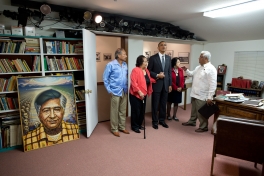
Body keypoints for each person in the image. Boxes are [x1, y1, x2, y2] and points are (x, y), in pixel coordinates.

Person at [181, 51, 217, 132]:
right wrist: (186, 70)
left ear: (206, 58)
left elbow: (213, 84)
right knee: (193, 110)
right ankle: (192, 121)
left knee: (201, 112)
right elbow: (191, 74)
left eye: (200, 57)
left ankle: (204, 126)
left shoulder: (211, 69)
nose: (198, 58)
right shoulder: (198, 67)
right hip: (195, 93)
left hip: (202, 94)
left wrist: (210, 97)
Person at [103, 48, 129, 137]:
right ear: (118, 55)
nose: (126, 56)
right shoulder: (110, 65)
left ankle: (122, 127)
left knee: (122, 110)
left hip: (124, 90)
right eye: (124, 54)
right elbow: (105, 79)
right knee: (114, 111)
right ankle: (114, 129)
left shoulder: (125, 65)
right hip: (114, 91)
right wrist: (109, 90)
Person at [147, 41, 172, 129]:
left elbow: (169, 73)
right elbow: (149, 71)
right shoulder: (153, 58)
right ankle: (155, 121)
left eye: (165, 45)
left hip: (165, 85)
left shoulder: (169, 58)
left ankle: (162, 120)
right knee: (155, 104)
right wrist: (157, 75)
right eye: (161, 45)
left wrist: (170, 85)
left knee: (163, 104)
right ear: (158, 47)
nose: (163, 46)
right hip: (157, 84)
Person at [129, 55, 153, 133]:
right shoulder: (135, 70)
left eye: (147, 61)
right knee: (136, 111)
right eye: (145, 61)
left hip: (144, 94)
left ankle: (139, 124)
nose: (147, 63)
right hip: (135, 95)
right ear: (140, 62)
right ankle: (134, 126)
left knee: (142, 111)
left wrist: (157, 77)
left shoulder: (147, 71)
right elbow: (133, 83)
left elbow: (148, 80)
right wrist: (139, 92)